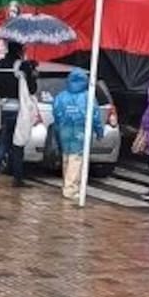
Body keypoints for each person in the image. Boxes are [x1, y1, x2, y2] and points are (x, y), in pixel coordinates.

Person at [52, 68, 104, 201]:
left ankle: (68, 185)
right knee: (76, 159)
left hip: (64, 130)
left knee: (67, 158)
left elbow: (56, 114)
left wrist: (58, 128)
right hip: (81, 130)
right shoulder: (88, 96)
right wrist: (99, 131)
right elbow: (96, 115)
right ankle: (70, 189)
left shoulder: (61, 96)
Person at [0, 41, 26, 188]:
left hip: (4, 107)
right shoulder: (19, 65)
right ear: (19, 50)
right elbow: (30, 86)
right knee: (18, 142)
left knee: (4, 141)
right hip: (18, 109)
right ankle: (17, 178)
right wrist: (31, 70)